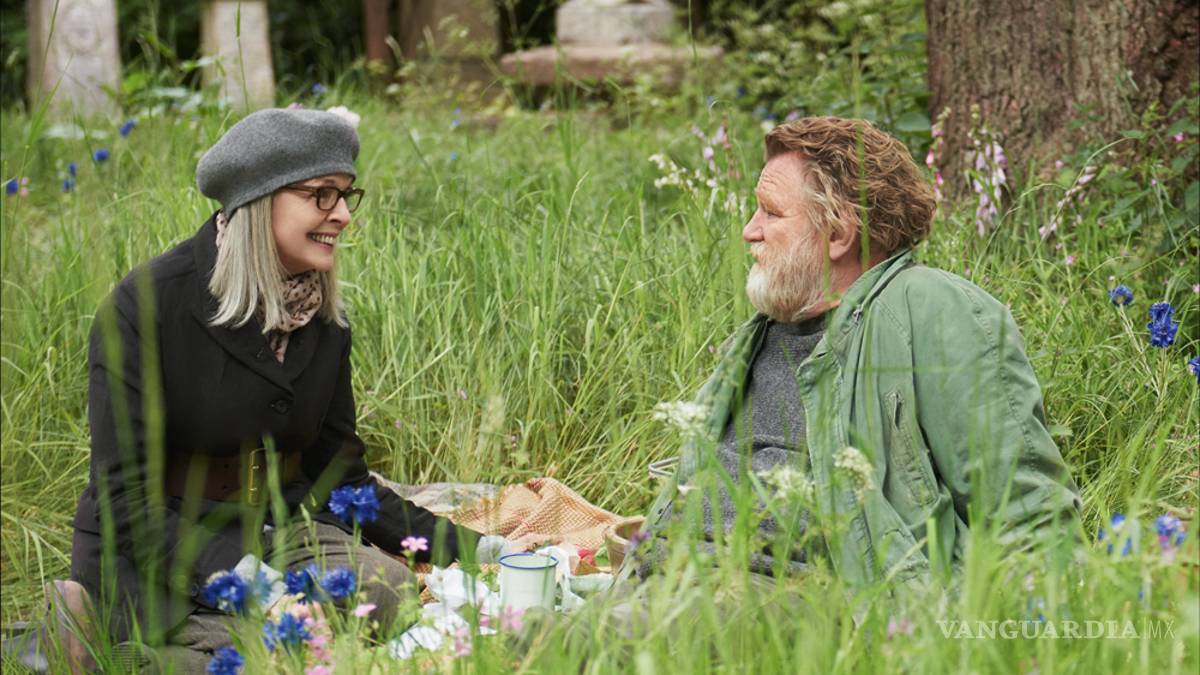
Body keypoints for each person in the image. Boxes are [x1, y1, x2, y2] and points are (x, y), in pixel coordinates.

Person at [63, 108, 478, 672]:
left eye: (346, 195)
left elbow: (341, 478)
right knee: (272, 648)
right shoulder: (146, 308)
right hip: (163, 543)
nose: (342, 215)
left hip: (270, 528)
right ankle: (93, 631)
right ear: (260, 201)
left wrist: (476, 550)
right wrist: (258, 587)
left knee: (388, 589)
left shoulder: (323, 320)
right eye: (322, 194)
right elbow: (124, 502)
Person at [624, 116, 1082, 593]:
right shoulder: (761, 332)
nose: (749, 231)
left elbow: (1028, 514)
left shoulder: (931, 308)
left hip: (780, 599)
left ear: (838, 234)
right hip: (662, 584)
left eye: (771, 213)